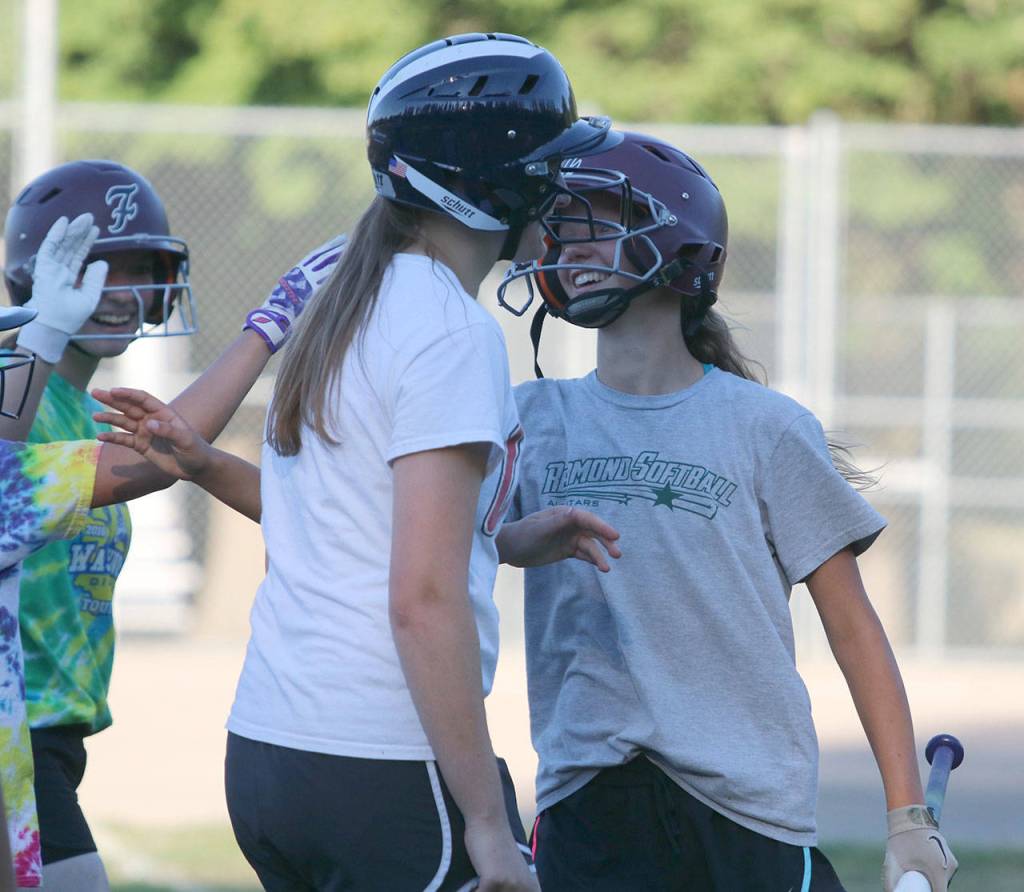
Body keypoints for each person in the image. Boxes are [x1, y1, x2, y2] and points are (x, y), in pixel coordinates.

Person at [181, 32, 625, 892]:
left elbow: (350, 521)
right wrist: (489, 824)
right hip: (381, 761)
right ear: (489, 178)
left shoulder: (356, 300)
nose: (560, 187)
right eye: (547, 163)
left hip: (273, 750)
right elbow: (421, 601)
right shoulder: (448, 328)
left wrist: (514, 537)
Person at [499, 132, 958, 892]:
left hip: (747, 814)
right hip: (589, 805)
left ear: (681, 245)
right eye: (563, 225)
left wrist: (909, 818)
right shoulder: (528, 418)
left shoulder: (764, 428)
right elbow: (440, 553)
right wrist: (515, 543)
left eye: (599, 221)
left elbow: (853, 628)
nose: (569, 242)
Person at [1, 189, 343, 889]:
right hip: (18, 731)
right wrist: (269, 324)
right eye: (100, 270)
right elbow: (156, 460)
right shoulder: (23, 397)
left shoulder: (86, 408)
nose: (124, 292)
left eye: (141, 269)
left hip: (50, 740)